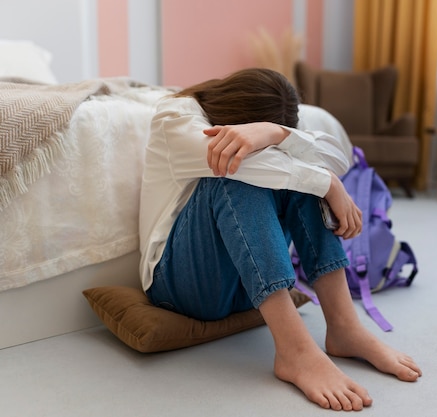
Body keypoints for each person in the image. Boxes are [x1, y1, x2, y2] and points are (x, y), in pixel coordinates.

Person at [139, 68, 421, 411]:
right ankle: (296, 352)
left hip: (248, 287)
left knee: (302, 173)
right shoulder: (174, 116)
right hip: (181, 286)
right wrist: (329, 183)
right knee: (236, 173)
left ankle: (345, 327)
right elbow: (238, 164)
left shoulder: (270, 130)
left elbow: (338, 157)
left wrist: (275, 133)